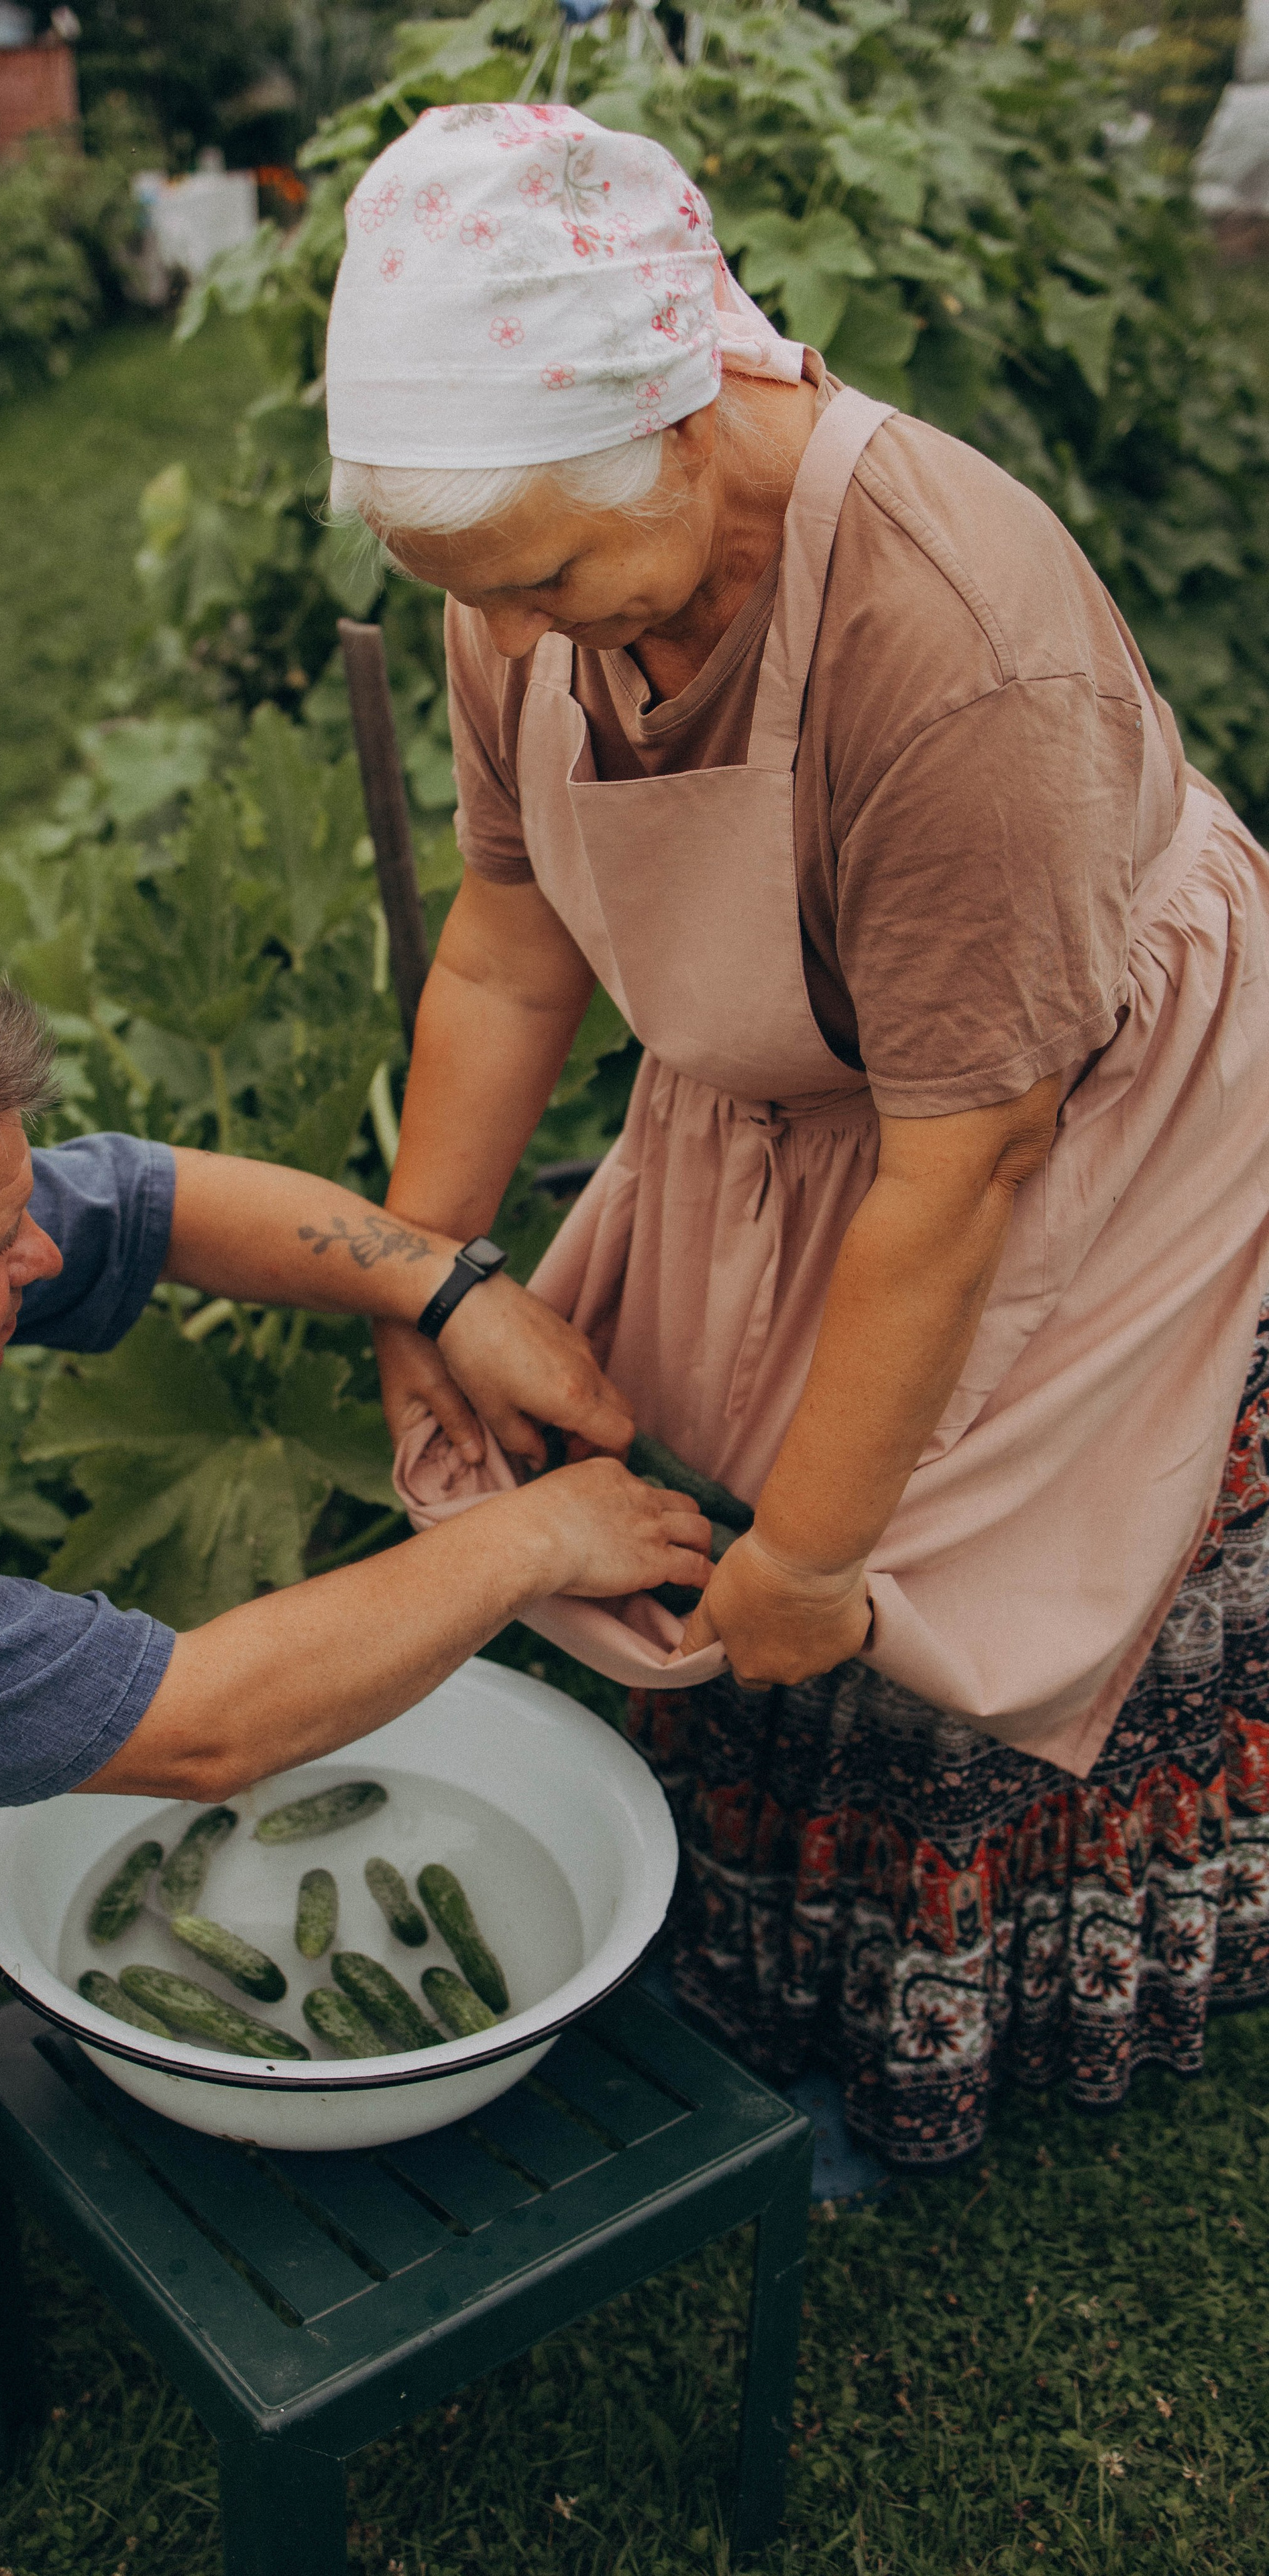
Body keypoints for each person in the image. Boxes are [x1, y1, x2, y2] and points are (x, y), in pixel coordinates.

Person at [324, 106, 1269, 2173]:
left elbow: (968, 1162)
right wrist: (424, 1273)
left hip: (1044, 1111)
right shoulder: (536, 594)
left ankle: (951, 2042)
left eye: (557, 571)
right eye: (480, 596)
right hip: (802, 1075)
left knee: (931, 1561)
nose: (535, 635)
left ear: (691, 407)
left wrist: (826, 1560)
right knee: (736, 1494)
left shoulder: (948, 647)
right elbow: (502, 943)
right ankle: (757, 1963)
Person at [0, 928, 708, 2548]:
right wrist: (530, 1543)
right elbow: (209, 1733)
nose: (38, 1253)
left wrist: (447, 1285)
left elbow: (148, 1195)